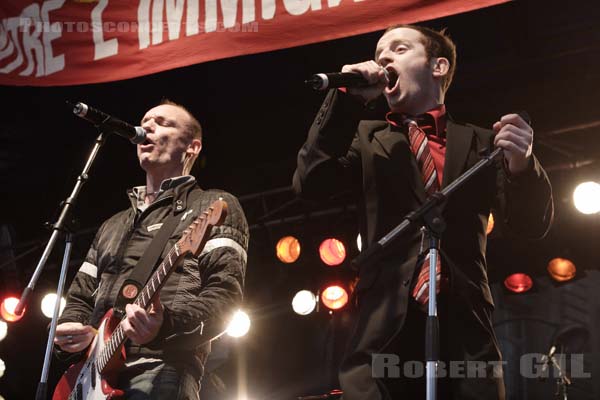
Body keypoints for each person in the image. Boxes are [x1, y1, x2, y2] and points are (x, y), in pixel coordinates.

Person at [293, 25, 553, 399]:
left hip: (464, 325)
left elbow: (531, 226)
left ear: (438, 66)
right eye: (380, 53)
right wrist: (345, 100)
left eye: (399, 49)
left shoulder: (482, 142)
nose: (384, 59)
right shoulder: (366, 138)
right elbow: (311, 184)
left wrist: (523, 166)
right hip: (384, 324)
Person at [54, 100, 249, 399]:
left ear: (192, 148)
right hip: (90, 380)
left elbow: (225, 296)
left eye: (163, 122)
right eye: (145, 121)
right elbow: (80, 295)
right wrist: (71, 327)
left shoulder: (212, 205)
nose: (148, 127)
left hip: (161, 367)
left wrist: (165, 324)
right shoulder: (112, 225)